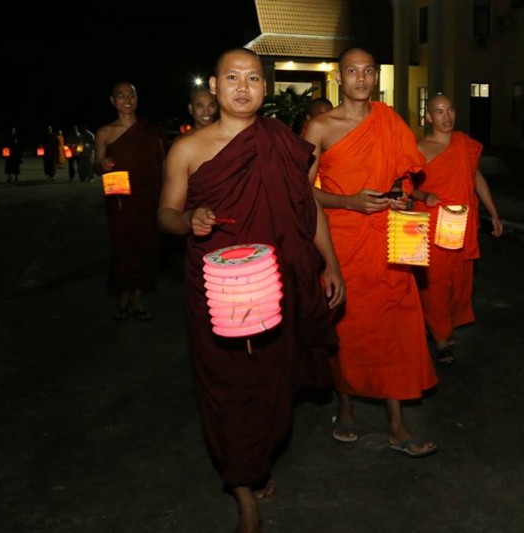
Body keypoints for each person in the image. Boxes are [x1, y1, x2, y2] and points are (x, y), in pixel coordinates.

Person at [158, 48, 344, 533]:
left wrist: (331, 262)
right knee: (227, 387)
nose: (243, 87)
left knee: (272, 385)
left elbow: (308, 208)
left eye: (253, 79)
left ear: (265, 88)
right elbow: (165, 214)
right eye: (232, 78)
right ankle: (243, 489)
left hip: (274, 286)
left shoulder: (280, 140)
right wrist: (188, 219)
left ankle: (257, 462)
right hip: (217, 293)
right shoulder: (188, 149)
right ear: (214, 86)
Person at [303, 46, 438, 457]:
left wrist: (400, 196)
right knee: (348, 327)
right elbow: (300, 193)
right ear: (338, 77)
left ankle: (397, 425)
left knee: (395, 327)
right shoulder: (320, 128)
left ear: (376, 77)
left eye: (368, 70)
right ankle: (345, 408)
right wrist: (349, 202)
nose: (361, 78)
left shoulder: (389, 120)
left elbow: (403, 179)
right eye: (352, 71)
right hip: (342, 242)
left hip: (389, 238)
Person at [411, 93, 503, 366]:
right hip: (430, 224)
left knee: (459, 281)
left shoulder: (463, 143)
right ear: (429, 117)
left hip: (460, 224)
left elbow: (476, 178)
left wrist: (493, 212)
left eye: (450, 110)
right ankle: (441, 339)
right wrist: (422, 194)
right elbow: (403, 186)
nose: (446, 116)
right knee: (434, 283)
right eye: (439, 112)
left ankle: (443, 325)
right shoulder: (418, 147)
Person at [95, 81, 166, 320]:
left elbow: (163, 165)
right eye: (121, 95)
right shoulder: (105, 132)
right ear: (112, 101)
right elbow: (97, 165)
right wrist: (102, 165)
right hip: (120, 200)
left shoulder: (151, 131)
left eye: (131, 95)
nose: (127, 99)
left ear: (137, 98)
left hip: (149, 197)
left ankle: (137, 297)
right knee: (123, 247)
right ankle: (124, 294)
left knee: (146, 246)